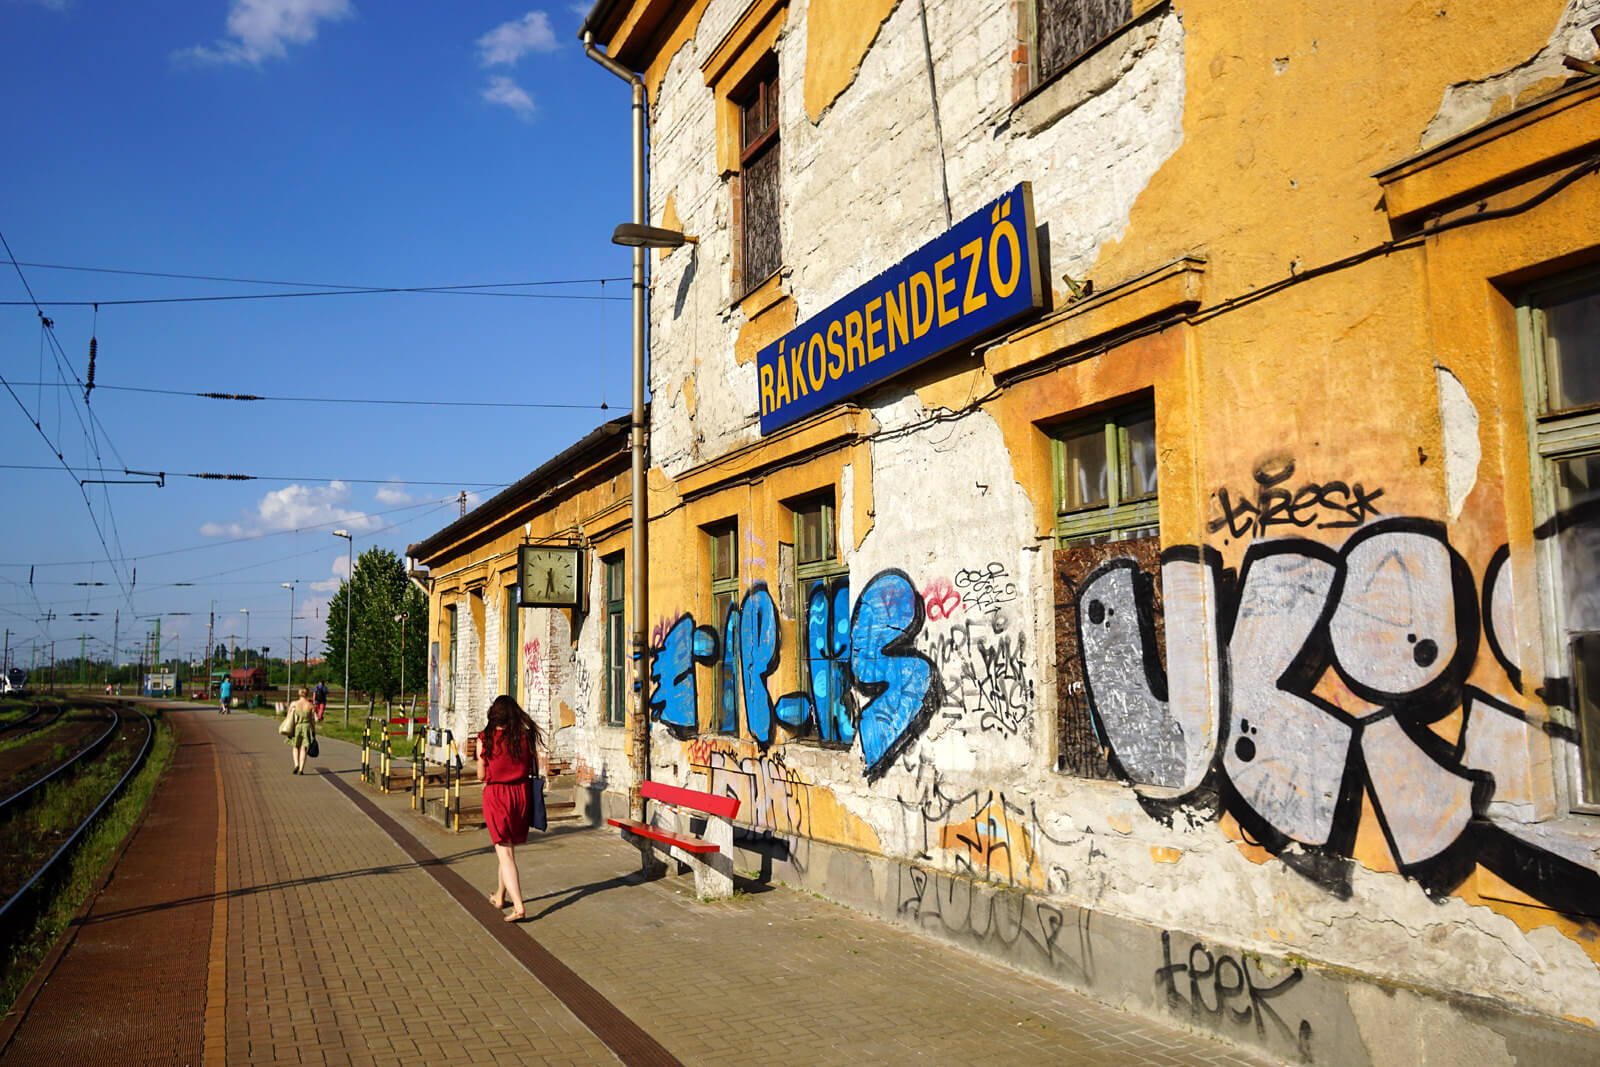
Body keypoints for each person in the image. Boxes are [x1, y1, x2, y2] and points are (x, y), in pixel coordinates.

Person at [477, 694, 542, 922]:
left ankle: (518, 906)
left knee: (504, 853)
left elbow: (480, 775)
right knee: (507, 850)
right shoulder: (524, 738)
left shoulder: (485, 739)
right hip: (521, 795)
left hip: (497, 796)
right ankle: (500, 897)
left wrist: (480, 760)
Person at [284, 686, 317, 774]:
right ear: (307, 694)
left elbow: (288, 717)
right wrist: (313, 730)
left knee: (295, 747)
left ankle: (296, 764)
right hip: (307, 727)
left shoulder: (293, 704)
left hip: (296, 727)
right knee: (304, 748)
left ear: (299, 693)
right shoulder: (310, 705)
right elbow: (312, 719)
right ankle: (301, 769)